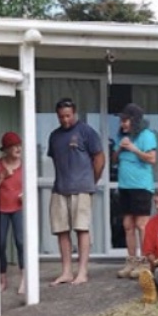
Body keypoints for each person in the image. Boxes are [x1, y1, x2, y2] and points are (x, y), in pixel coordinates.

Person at [46, 98, 104, 285]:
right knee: (61, 230)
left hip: (82, 188)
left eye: (68, 116)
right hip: (60, 188)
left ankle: (82, 272)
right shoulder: (54, 136)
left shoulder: (86, 132)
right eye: (61, 116)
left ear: (75, 113)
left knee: (81, 229)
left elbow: (99, 158)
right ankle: (66, 272)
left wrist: (91, 181)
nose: (65, 120)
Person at [113, 104, 158, 280]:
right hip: (124, 185)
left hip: (141, 185)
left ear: (134, 120)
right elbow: (114, 160)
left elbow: (152, 159)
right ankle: (132, 261)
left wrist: (133, 148)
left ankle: (146, 261)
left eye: (125, 120)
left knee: (142, 224)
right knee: (127, 225)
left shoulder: (146, 135)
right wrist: (119, 148)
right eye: (121, 120)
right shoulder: (120, 136)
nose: (123, 124)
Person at [0, 131, 27, 295]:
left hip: (19, 208)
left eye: (18, 145)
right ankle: (2, 278)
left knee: (21, 242)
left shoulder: (24, 165)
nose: (17, 148)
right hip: (0, 209)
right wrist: (2, 176)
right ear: (6, 149)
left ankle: (24, 278)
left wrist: (25, 196)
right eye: (13, 146)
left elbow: (29, 187)